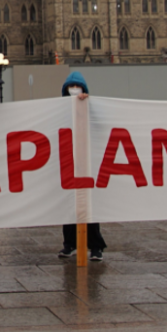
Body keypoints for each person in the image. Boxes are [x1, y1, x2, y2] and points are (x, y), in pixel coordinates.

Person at [58, 71, 106, 262]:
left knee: (88, 207)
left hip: (86, 165)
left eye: (76, 87)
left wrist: (86, 103)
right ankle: (69, 244)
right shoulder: (60, 108)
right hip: (68, 164)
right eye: (70, 88)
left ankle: (95, 246)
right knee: (69, 207)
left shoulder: (90, 106)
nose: (74, 90)